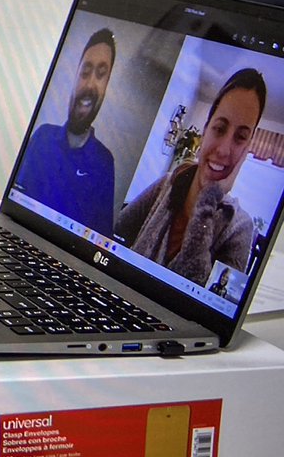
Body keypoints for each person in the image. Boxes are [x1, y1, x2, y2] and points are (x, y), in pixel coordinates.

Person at [115, 68, 264, 287]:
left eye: (240, 137)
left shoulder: (241, 229)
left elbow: (205, 308)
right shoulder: (168, 183)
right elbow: (115, 232)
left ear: (247, 149)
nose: (224, 150)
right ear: (205, 131)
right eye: (220, 129)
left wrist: (209, 199)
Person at [15, 28, 117, 234]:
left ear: (106, 86)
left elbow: (99, 241)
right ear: (75, 77)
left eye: (101, 74)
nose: (90, 84)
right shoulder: (42, 137)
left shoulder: (105, 163)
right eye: (85, 72)